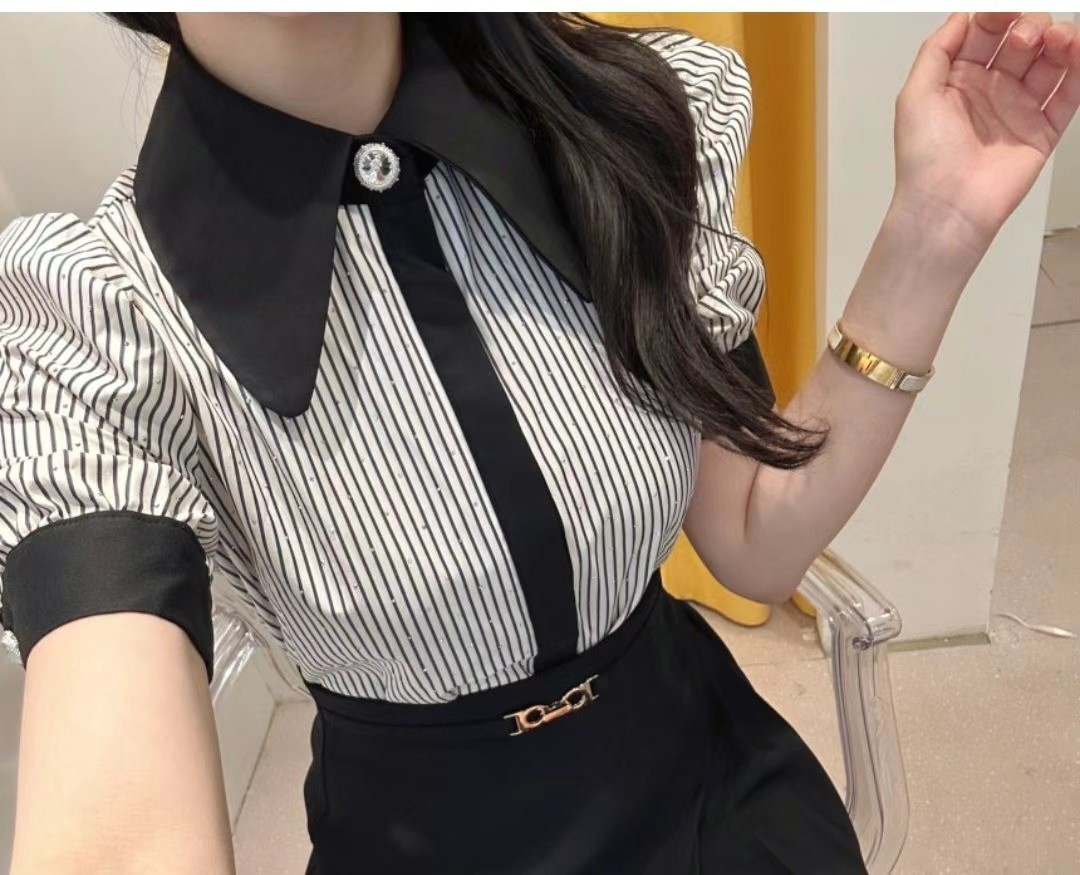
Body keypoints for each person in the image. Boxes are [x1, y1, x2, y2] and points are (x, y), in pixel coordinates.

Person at [1, 11, 1075, 874]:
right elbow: (115, 826)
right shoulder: (95, 324)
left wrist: (933, 229)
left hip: (719, 798)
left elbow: (753, 539)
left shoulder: (631, 120)